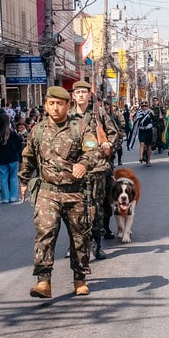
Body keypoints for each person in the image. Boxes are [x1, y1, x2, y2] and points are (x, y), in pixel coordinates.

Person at [20, 86, 101, 298]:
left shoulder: (80, 128)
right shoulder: (37, 130)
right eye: (51, 104)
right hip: (47, 191)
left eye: (59, 104)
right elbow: (28, 157)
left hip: (74, 193)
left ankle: (80, 278)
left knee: (79, 236)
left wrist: (84, 163)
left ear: (67, 105)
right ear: (46, 105)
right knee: (45, 233)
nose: (55, 108)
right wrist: (23, 180)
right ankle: (43, 281)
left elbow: (94, 150)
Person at [70, 82, 120, 259]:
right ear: (73, 96)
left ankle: (97, 244)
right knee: (74, 209)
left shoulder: (98, 114)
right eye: (78, 92)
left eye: (84, 92)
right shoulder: (68, 116)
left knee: (96, 207)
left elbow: (114, 133)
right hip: (74, 169)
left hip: (97, 168)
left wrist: (109, 145)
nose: (81, 95)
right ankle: (75, 244)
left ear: (89, 95)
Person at [0, 111, 24, 204]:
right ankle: (13, 196)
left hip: (2, 158)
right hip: (12, 157)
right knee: (13, 177)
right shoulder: (11, 132)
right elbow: (19, 143)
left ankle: (5, 197)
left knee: (3, 177)